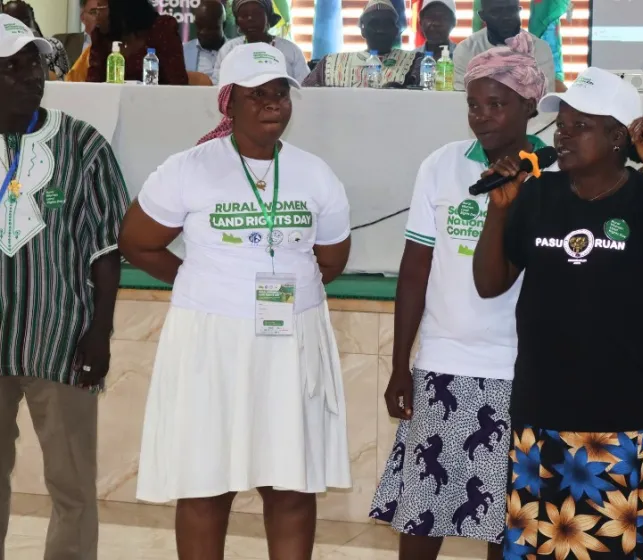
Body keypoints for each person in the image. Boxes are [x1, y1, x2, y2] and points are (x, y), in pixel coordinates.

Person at [120, 43, 352, 560]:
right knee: (207, 480)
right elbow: (138, 242)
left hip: (292, 338)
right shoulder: (188, 169)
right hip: (212, 340)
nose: (273, 104)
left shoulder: (315, 173)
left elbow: (332, 258)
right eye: (257, 95)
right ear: (228, 102)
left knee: (291, 483)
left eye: (280, 93)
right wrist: (204, 279)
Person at [472, 67, 643, 559]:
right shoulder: (537, 194)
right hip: (541, 413)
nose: (562, 134)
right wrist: (499, 209)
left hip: (619, 416)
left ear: (620, 137)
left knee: (615, 550)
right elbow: (489, 282)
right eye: (562, 123)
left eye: (580, 125)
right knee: (540, 549)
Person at [370, 32, 549, 560]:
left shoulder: (557, 172)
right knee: (423, 511)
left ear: (530, 106)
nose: (483, 116)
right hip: (444, 363)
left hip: (525, 369)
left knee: (510, 524)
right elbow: (415, 270)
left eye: (498, 104)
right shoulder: (442, 166)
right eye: (474, 105)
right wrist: (401, 365)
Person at [0, 15, 129, 560]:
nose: (33, 75)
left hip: (62, 340)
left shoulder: (82, 145)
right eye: (15, 65)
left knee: (72, 485)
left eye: (36, 62)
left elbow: (107, 249)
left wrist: (100, 333)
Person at [303, 0, 421, 88]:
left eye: (387, 23)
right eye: (374, 23)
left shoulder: (416, 62)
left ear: (396, 31)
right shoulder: (329, 64)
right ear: (362, 31)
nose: (380, 30)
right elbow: (307, 97)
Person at [453, 0, 558, 92]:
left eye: (511, 10)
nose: (506, 17)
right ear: (482, 16)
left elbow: (543, 102)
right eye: (497, 12)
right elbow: (463, 101)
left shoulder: (539, 48)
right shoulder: (466, 49)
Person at [87, 0, 188, 85]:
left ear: (118, 8)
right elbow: (93, 84)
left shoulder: (162, 29)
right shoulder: (100, 37)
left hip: (157, 104)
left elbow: (177, 83)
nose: (97, 17)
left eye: (100, 8)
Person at [211, 0, 308, 85]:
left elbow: (305, 86)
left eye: (257, 14)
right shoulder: (228, 50)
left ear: (268, 18)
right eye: (244, 15)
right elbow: (217, 86)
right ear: (237, 22)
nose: (250, 19)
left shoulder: (290, 50)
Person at [2, 1, 70, 79]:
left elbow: (67, 81)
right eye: (13, 22)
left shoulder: (53, 45)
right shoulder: (3, 49)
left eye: (25, 20)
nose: (20, 26)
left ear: (32, 21)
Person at [183, 0, 226, 78]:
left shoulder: (236, 51)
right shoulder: (183, 52)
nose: (203, 32)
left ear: (224, 25)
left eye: (210, 28)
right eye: (199, 26)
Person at [54, 0, 98, 67]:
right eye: (94, 12)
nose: (100, 17)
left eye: (103, 11)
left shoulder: (117, 46)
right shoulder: (62, 42)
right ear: (82, 17)